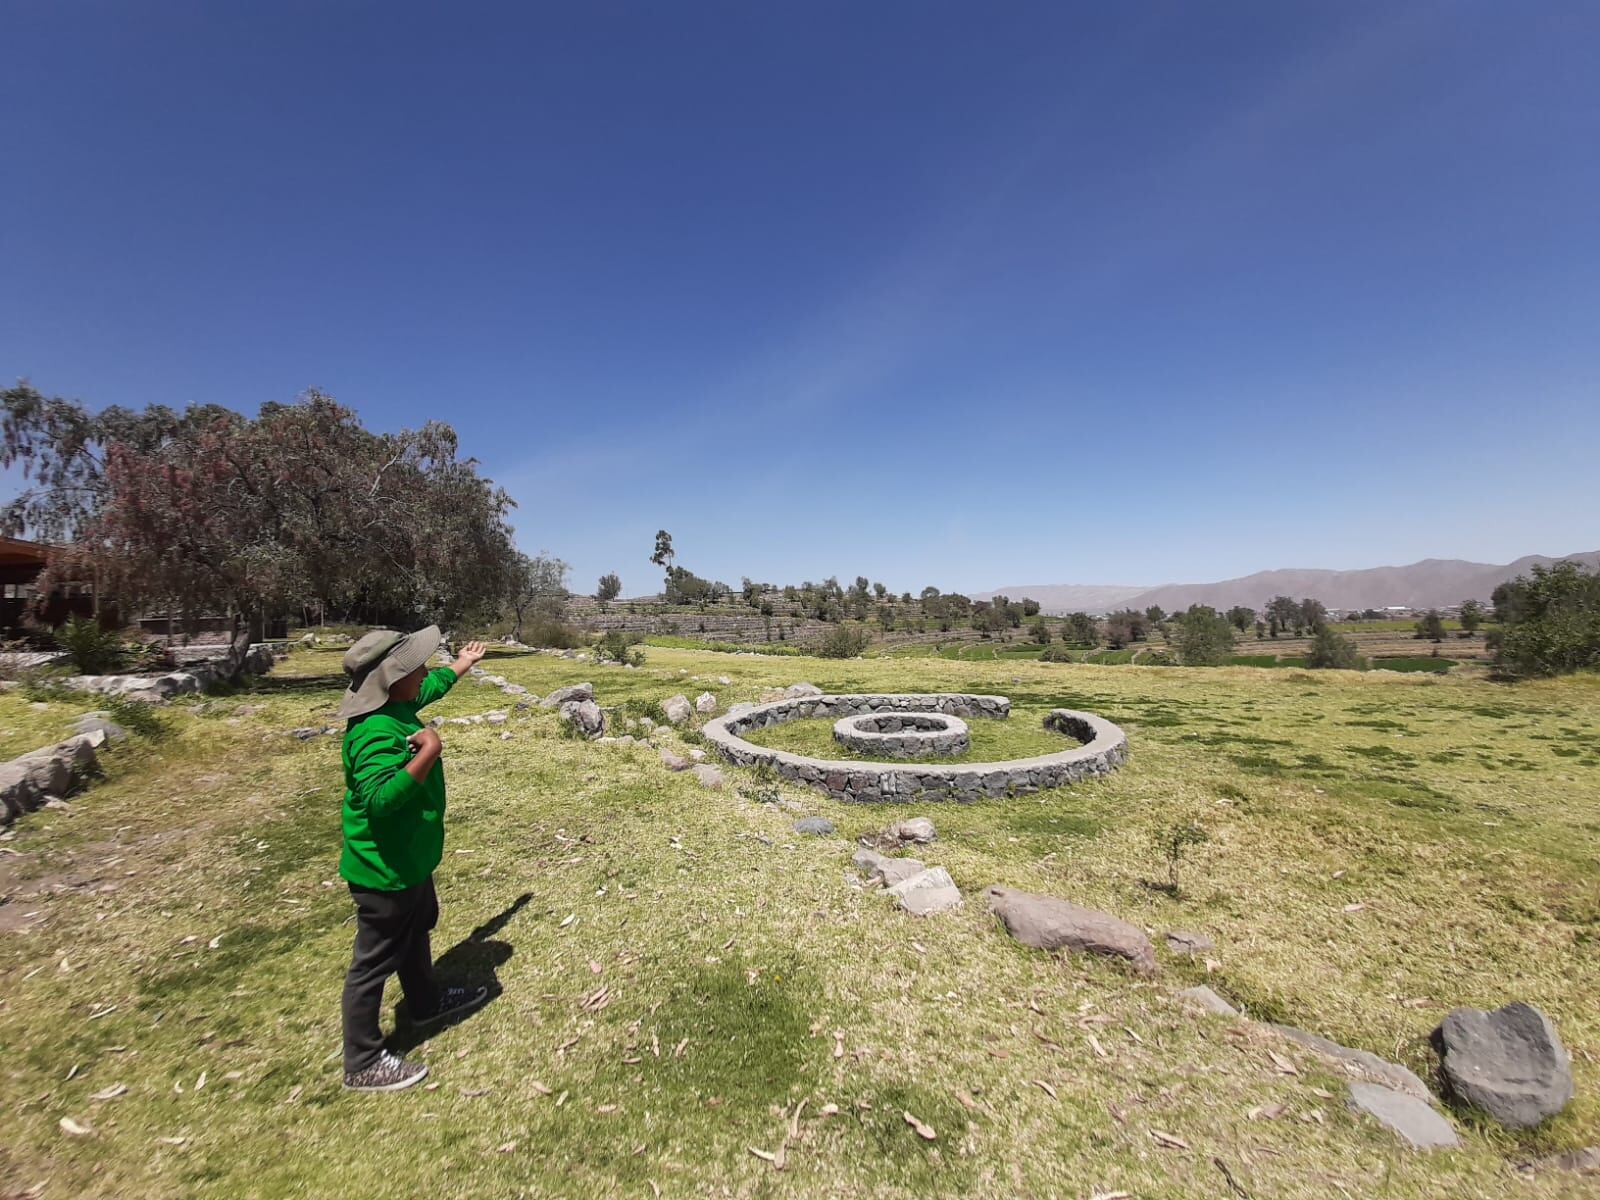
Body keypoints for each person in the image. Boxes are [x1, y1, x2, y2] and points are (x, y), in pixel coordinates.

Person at [335, 625, 489, 1092]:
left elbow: (432, 685)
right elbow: (381, 799)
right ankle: (361, 1060)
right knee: (373, 962)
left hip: (408, 863)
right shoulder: (373, 731)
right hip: (382, 871)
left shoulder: (398, 706)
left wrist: (462, 664)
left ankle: (425, 1001)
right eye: (414, 667)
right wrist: (429, 752)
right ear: (390, 679)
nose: (423, 672)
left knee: (418, 927)